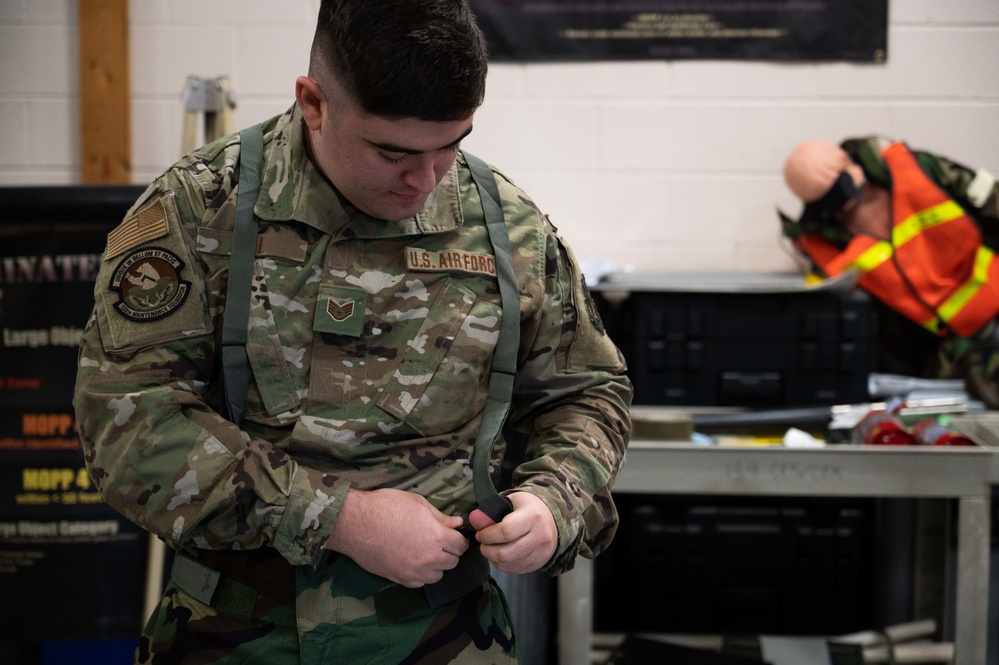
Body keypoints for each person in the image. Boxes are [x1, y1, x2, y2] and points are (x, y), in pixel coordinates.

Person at [72, 1, 633, 663]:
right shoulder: (200, 211)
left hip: (446, 636)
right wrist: (335, 517)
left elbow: (586, 393)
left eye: (451, 145)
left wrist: (552, 500)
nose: (424, 180)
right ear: (313, 102)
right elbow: (127, 423)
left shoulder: (504, 227)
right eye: (392, 151)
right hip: (235, 633)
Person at [779, 136, 999, 406]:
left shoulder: (921, 171)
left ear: (849, 164)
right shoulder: (832, 246)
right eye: (827, 201)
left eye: (839, 188)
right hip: (953, 349)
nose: (843, 206)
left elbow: (991, 199)